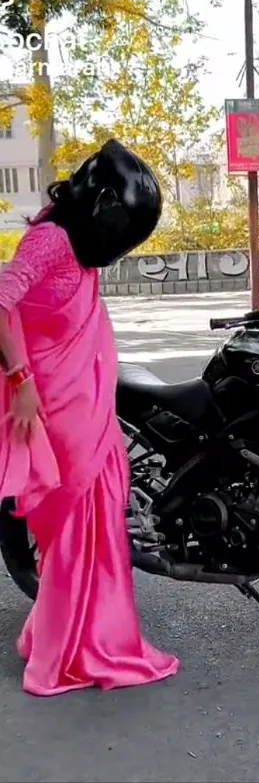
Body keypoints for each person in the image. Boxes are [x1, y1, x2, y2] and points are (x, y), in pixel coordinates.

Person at [0, 138, 179, 696]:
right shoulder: (51, 240)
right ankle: (69, 650)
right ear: (102, 206)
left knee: (98, 516)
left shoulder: (72, 242)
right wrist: (21, 384)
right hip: (51, 404)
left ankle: (84, 634)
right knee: (76, 524)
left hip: (87, 405)